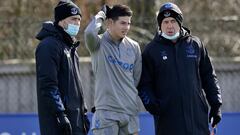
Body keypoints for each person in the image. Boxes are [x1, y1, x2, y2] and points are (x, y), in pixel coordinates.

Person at [137, 2, 222, 135]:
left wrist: (216, 105)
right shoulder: (150, 51)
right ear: (160, 25)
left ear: (180, 22)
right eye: (165, 22)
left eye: (173, 21)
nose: (169, 26)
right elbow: (144, 84)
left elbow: (209, 77)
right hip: (168, 122)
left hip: (197, 120)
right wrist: (152, 105)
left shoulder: (195, 44)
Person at [84, 4, 142, 135]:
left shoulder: (134, 47)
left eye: (128, 23)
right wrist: (101, 15)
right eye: (122, 23)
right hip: (106, 114)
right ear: (110, 22)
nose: (126, 27)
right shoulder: (97, 43)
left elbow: (136, 79)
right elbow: (89, 32)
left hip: (130, 112)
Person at [35, 1, 89, 135]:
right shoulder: (48, 46)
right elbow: (48, 85)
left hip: (75, 120)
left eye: (78, 19)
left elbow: (76, 87)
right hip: (58, 122)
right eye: (73, 19)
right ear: (61, 21)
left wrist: (83, 113)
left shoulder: (71, 48)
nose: (77, 23)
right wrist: (60, 114)